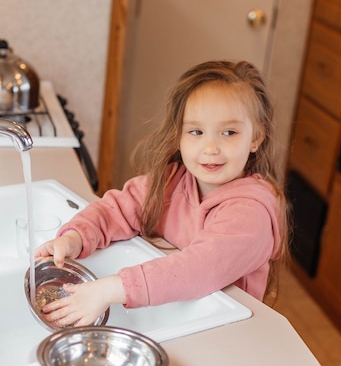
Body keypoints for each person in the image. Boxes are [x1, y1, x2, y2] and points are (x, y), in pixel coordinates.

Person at [35, 60, 289, 328]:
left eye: (229, 132)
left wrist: (108, 290)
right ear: (179, 135)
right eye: (196, 132)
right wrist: (75, 237)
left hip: (226, 335)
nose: (211, 147)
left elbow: (198, 268)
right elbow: (118, 209)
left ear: (256, 138)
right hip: (185, 319)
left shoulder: (251, 216)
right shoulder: (171, 181)